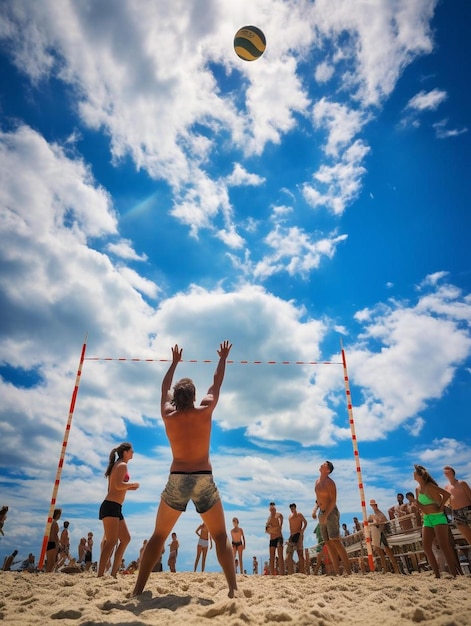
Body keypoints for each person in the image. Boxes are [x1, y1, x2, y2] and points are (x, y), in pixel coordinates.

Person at [132, 341, 237, 598]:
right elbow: (217, 382)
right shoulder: (205, 410)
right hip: (202, 477)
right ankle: (234, 589)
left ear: (175, 399)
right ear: (193, 397)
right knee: (221, 534)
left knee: (158, 536)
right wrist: (222, 357)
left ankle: (137, 591)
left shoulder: (168, 414)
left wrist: (175, 363)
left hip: (178, 477)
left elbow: (164, 388)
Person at [97, 442, 140, 577]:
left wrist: (128, 487)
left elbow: (114, 487)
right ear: (125, 452)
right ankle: (100, 575)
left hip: (115, 506)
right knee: (111, 542)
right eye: (131, 450)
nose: (133, 452)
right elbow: (117, 485)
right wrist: (132, 484)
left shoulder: (119, 465)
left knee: (125, 538)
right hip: (111, 506)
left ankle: (114, 573)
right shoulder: (122, 465)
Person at [414, 464, 460, 577]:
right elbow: (420, 504)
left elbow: (446, 494)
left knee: (444, 546)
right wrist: (419, 508)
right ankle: (437, 575)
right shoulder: (417, 489)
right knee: (426, 546)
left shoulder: (429, 486)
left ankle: (454, 575)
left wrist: (441, 507)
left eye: (414, 473)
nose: (413, 475)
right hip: (427, 518)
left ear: (419, 475)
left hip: (438, 516)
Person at [314, 461, 351, 575]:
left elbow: (333, 500)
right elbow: (318, 499)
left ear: (328, 470)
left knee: (335, 541)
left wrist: (326, 514)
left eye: (324, 464)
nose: (321, 464)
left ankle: (348, 572)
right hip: (322, 512)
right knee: (328, 543)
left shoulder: (330, 483)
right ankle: (337, 572)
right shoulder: (317, 481)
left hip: (331, 512)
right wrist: (315, 510)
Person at [368, 499, 401, 574]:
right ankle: (386, 569)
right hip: (377, 534)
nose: (374, 506)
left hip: (381, 533)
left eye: (374, 505)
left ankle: (396, 570)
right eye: (373, 505)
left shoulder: (379, 514)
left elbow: (381, 522)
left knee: (388, 552)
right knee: (381, 553)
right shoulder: (374, 514)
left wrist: (372, 523)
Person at [443, 466, 471, 546]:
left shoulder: (461, 483)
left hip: (467, 509)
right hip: (456, 512)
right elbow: (447, 501)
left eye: (448, 470)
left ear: (453, 472)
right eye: (445, 471)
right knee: (468, 536)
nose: (446, 472)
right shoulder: (446, 487)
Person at [286, 503, 307, 574]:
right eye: (291, 509)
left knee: (300, 554)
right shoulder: (290, 517)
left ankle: (302, 572)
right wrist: (290, 537)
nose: (292, 510)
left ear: (295, 508)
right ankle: (291, 572)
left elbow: (305, 522)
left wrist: (302, 531)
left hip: (298, 534)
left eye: (293, 508)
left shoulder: (299, 515)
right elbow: (290, 527)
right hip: (292, 536)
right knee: (288, 556)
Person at [265, 501, 285, 575]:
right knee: (272, 557)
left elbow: (279, 528)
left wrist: (272, 529)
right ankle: (271, 575)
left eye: (273, 507)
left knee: (280, 556)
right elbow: (266, 530)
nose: (272, 508)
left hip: (278, 537)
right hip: (272, 538)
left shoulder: (279, 515)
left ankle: (282, 574)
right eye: (271, 507)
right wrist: (273, 529)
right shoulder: (269, 518)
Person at [46, 508, 61, 572]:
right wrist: (58, 544)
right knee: (52, 563)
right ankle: (49, 576)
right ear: (57, 515)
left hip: (48, 543)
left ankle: (47, 575)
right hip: (53, 543)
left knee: (49, 562)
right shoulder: (55, 523)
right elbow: (55, 535)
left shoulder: (49, 522)